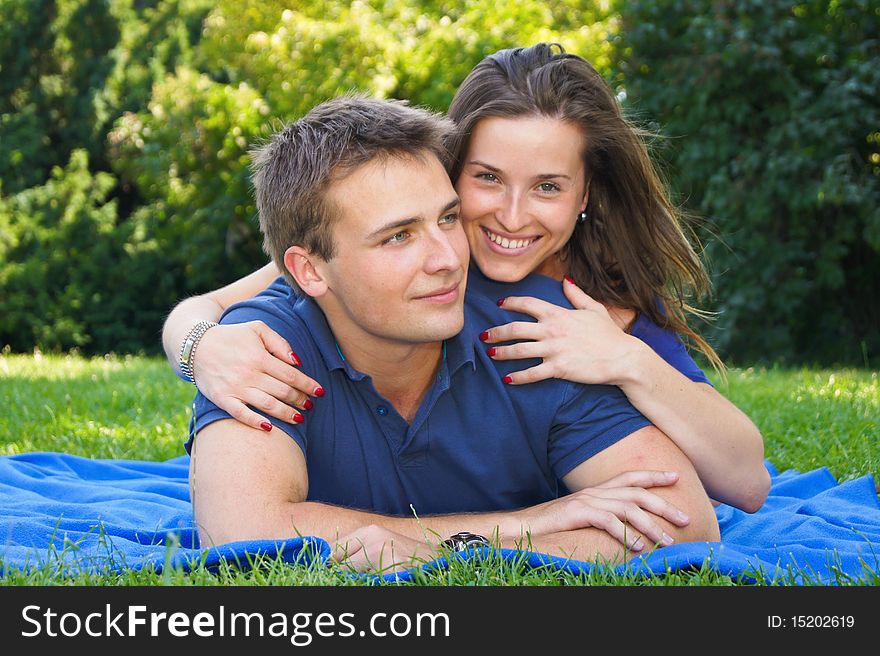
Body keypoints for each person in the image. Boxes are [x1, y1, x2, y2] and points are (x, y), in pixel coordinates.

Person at [164, 43, 769, 513]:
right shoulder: (401, 256)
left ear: (586, 194)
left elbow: (745, 482)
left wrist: (626, 359)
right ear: (451, 171)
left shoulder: (604, 304)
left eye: (548, 187)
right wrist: (203, 347)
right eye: (486, 178)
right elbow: (221, 302)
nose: (510, 215)